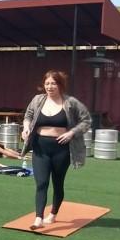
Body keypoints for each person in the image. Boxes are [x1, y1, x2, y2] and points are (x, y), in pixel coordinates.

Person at [21, 70, 91, 230]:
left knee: (57, 183)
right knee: (42, 182)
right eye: (47, 83)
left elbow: (86, 120)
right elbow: (29, 115)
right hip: (40, 147)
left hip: (61, 148)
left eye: (53, 83)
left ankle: (53, 213)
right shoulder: (38, 100)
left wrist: (71, 133)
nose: (50, 86)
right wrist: (26, 128)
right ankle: (38, 218)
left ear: (60, 85)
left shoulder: (71, 102)